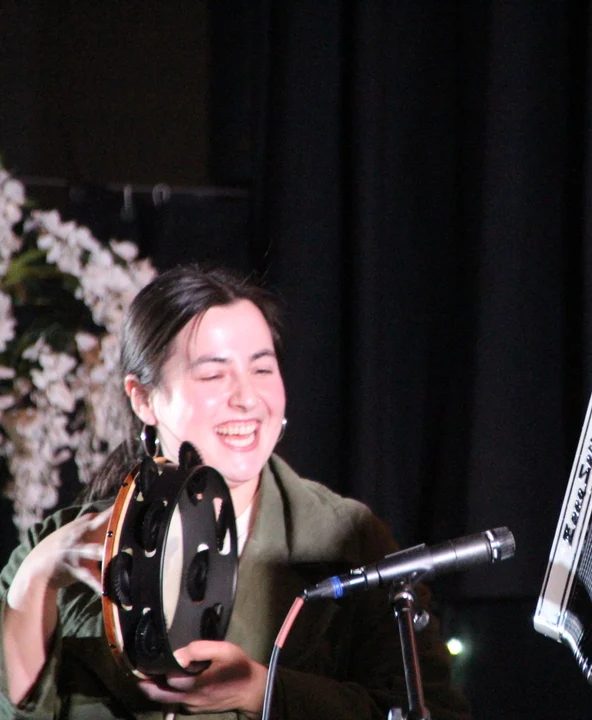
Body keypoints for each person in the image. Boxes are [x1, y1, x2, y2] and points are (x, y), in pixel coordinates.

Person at [0, 265, 471, 719]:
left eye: (262, 370)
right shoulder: (60, 543)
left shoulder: (348, 541)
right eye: (213, 374)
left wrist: (263, 693)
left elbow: (433, 711)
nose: (247, 399)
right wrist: (36, 580)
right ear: (143, 398)